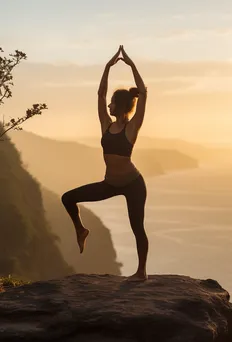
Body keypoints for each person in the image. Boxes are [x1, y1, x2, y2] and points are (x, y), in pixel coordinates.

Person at [61, 45, 148, 281]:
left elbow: (144, 92)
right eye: (108, 103)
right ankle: (81, 229)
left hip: (133, 184)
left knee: (137, 227)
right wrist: (107, 67)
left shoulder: (131, 128)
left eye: (112, 103)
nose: (108, 105)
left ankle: (141, 272)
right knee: (67, 198)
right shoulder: (106, 125)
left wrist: (131, 65)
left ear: (119, 106)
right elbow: (100, 94)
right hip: (110, 184)